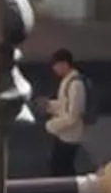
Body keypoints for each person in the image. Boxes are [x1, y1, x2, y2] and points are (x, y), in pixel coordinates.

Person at [34, 47, 88, 176]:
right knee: (59, 166)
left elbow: (72, 116)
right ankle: (66, 192)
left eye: (56, 65)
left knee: (62, 167)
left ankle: (69, 192)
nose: (54, 69)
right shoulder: (68, 80)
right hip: (64, 133)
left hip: (70, 135)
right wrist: (50, 105)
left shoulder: (75, 85)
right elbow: (65, 104)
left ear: (64, 64)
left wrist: (51, 125)